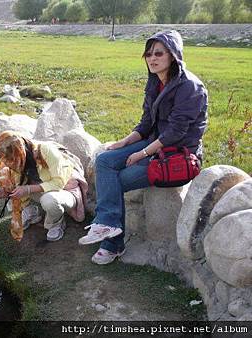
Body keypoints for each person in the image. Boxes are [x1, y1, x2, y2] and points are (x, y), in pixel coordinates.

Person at [79, 30, 208, 265]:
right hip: (155, 143)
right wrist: (125, 142)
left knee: (119, 179)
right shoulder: (155, 83)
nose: (152, 58)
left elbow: (176, 132)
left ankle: (112, 243)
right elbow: (147, 121)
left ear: (173, 56)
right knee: (105, 160)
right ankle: (107, 225)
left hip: (177, 154)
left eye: (159, 53)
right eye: (148, 54)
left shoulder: (190, 86)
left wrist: (142, 153)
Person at [0, 131, 88, 242]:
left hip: (66, 190)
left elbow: (59, 183)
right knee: (15, 190)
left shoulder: (46, 150)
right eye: (4, 159)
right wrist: (4, 192)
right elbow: (15, 184)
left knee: (49, 200)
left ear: (18, 151)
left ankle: (55, 223)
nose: (6, 162)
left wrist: (28, 189)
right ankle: (32, 212)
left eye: (9, 158)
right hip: (43, 189)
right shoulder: (18, 158)